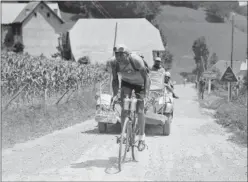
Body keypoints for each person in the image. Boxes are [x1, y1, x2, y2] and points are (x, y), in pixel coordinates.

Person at [108, 44, 150, 150]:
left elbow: (146, 78)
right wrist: (114, 94)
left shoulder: (136, 60)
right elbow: (115, 80)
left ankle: (141, 138)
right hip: (126, 83)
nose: (119, 59)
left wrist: (146, 94)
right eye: (117, 55)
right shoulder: (114, 62)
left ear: (127, 55)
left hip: (140, 84)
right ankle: (124, 135)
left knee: (140, 111)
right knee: (124, 109)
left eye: (122, 56)